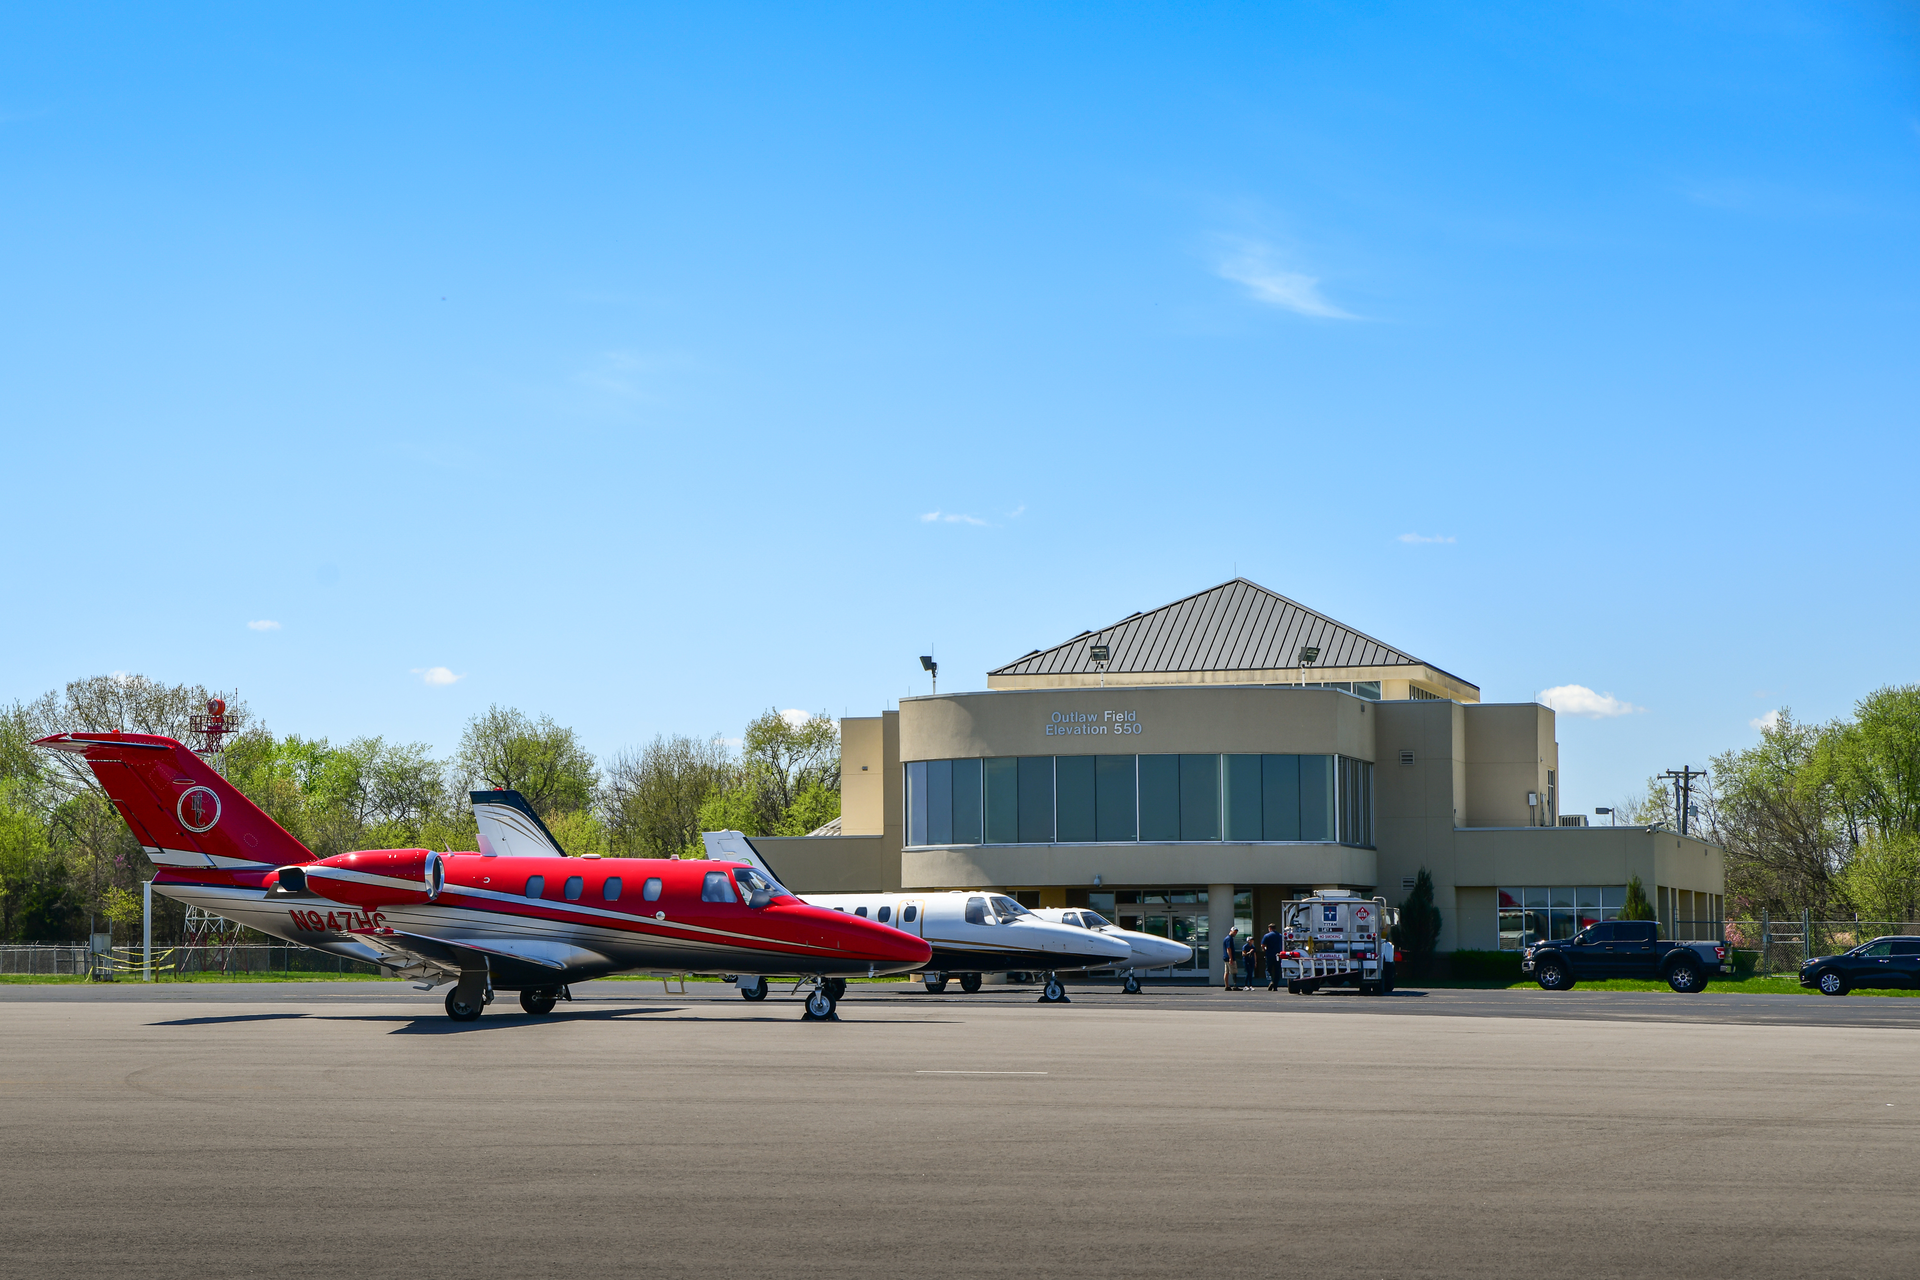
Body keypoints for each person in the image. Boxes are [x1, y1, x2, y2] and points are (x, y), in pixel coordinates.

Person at [1262, 921, 1284, 991]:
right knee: (1277, 970)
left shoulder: (1267, 936)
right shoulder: (1280, 936)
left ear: (1270, 928)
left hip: (1270, 954)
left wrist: (1265, 950)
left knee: (1268, 969)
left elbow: (1263, 945)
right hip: (1278, 955)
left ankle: (1270, 980)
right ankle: (1275, 985)